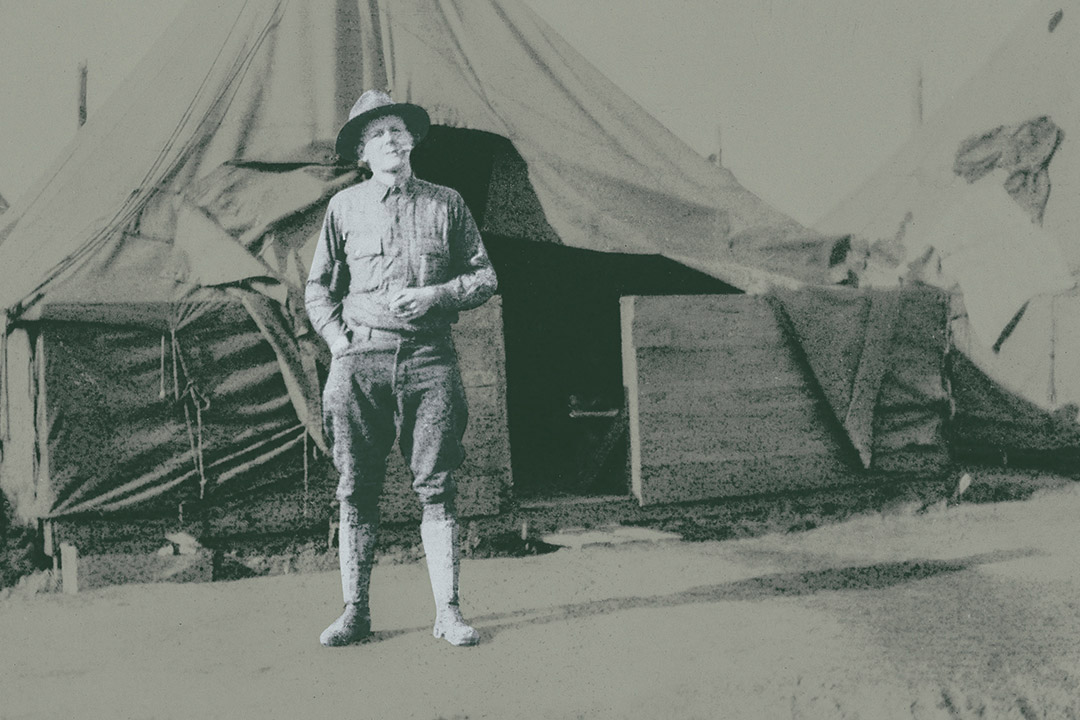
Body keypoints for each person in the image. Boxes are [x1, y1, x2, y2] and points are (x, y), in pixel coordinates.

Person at [306, 90, 498, 647]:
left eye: (395, 130)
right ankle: (355, 612)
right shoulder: (343, 209)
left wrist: (437, 293)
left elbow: (485, 277)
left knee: (436, 487)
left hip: (428, 360)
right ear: (363, 155)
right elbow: (319, 288)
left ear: (411, 140)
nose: (388, 141)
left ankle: (449, 613)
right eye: (375, 136)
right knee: (355, 488)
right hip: (359, 362)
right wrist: (337, 341)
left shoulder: (447, 203)